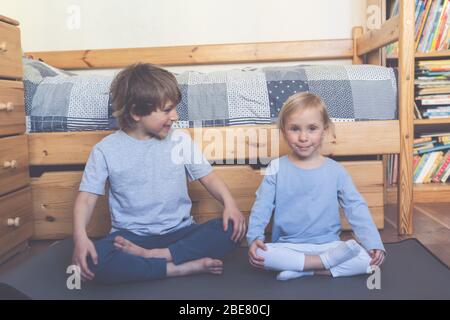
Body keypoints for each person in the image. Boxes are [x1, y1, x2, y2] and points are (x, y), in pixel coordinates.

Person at [72, 63, 246, 284]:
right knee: (92, 263)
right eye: (166, 110)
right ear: (136, 112)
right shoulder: (105, 150)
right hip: (130, 239)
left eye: (174, 108)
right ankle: (179, 268)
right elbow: (86, 199)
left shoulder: (180, 140)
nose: (174, 116)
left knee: (233, 228)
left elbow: (208, 177)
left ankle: (159, 258)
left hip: (180, 233)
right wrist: (80, 238)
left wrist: (230, 205)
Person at [246, 92, 386, 281]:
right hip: (288, 246)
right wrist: (255, 238)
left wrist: (373, 243)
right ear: (283, 131)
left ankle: (307, 269)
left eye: (312, 128)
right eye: (295, 129)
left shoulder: (336, 171)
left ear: (324, 130)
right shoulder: (276, 168)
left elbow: (355, 207)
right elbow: (262, 206)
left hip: (329, 245)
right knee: (262, 255)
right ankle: (322, 265)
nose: (303, 137)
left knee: (367, 261)